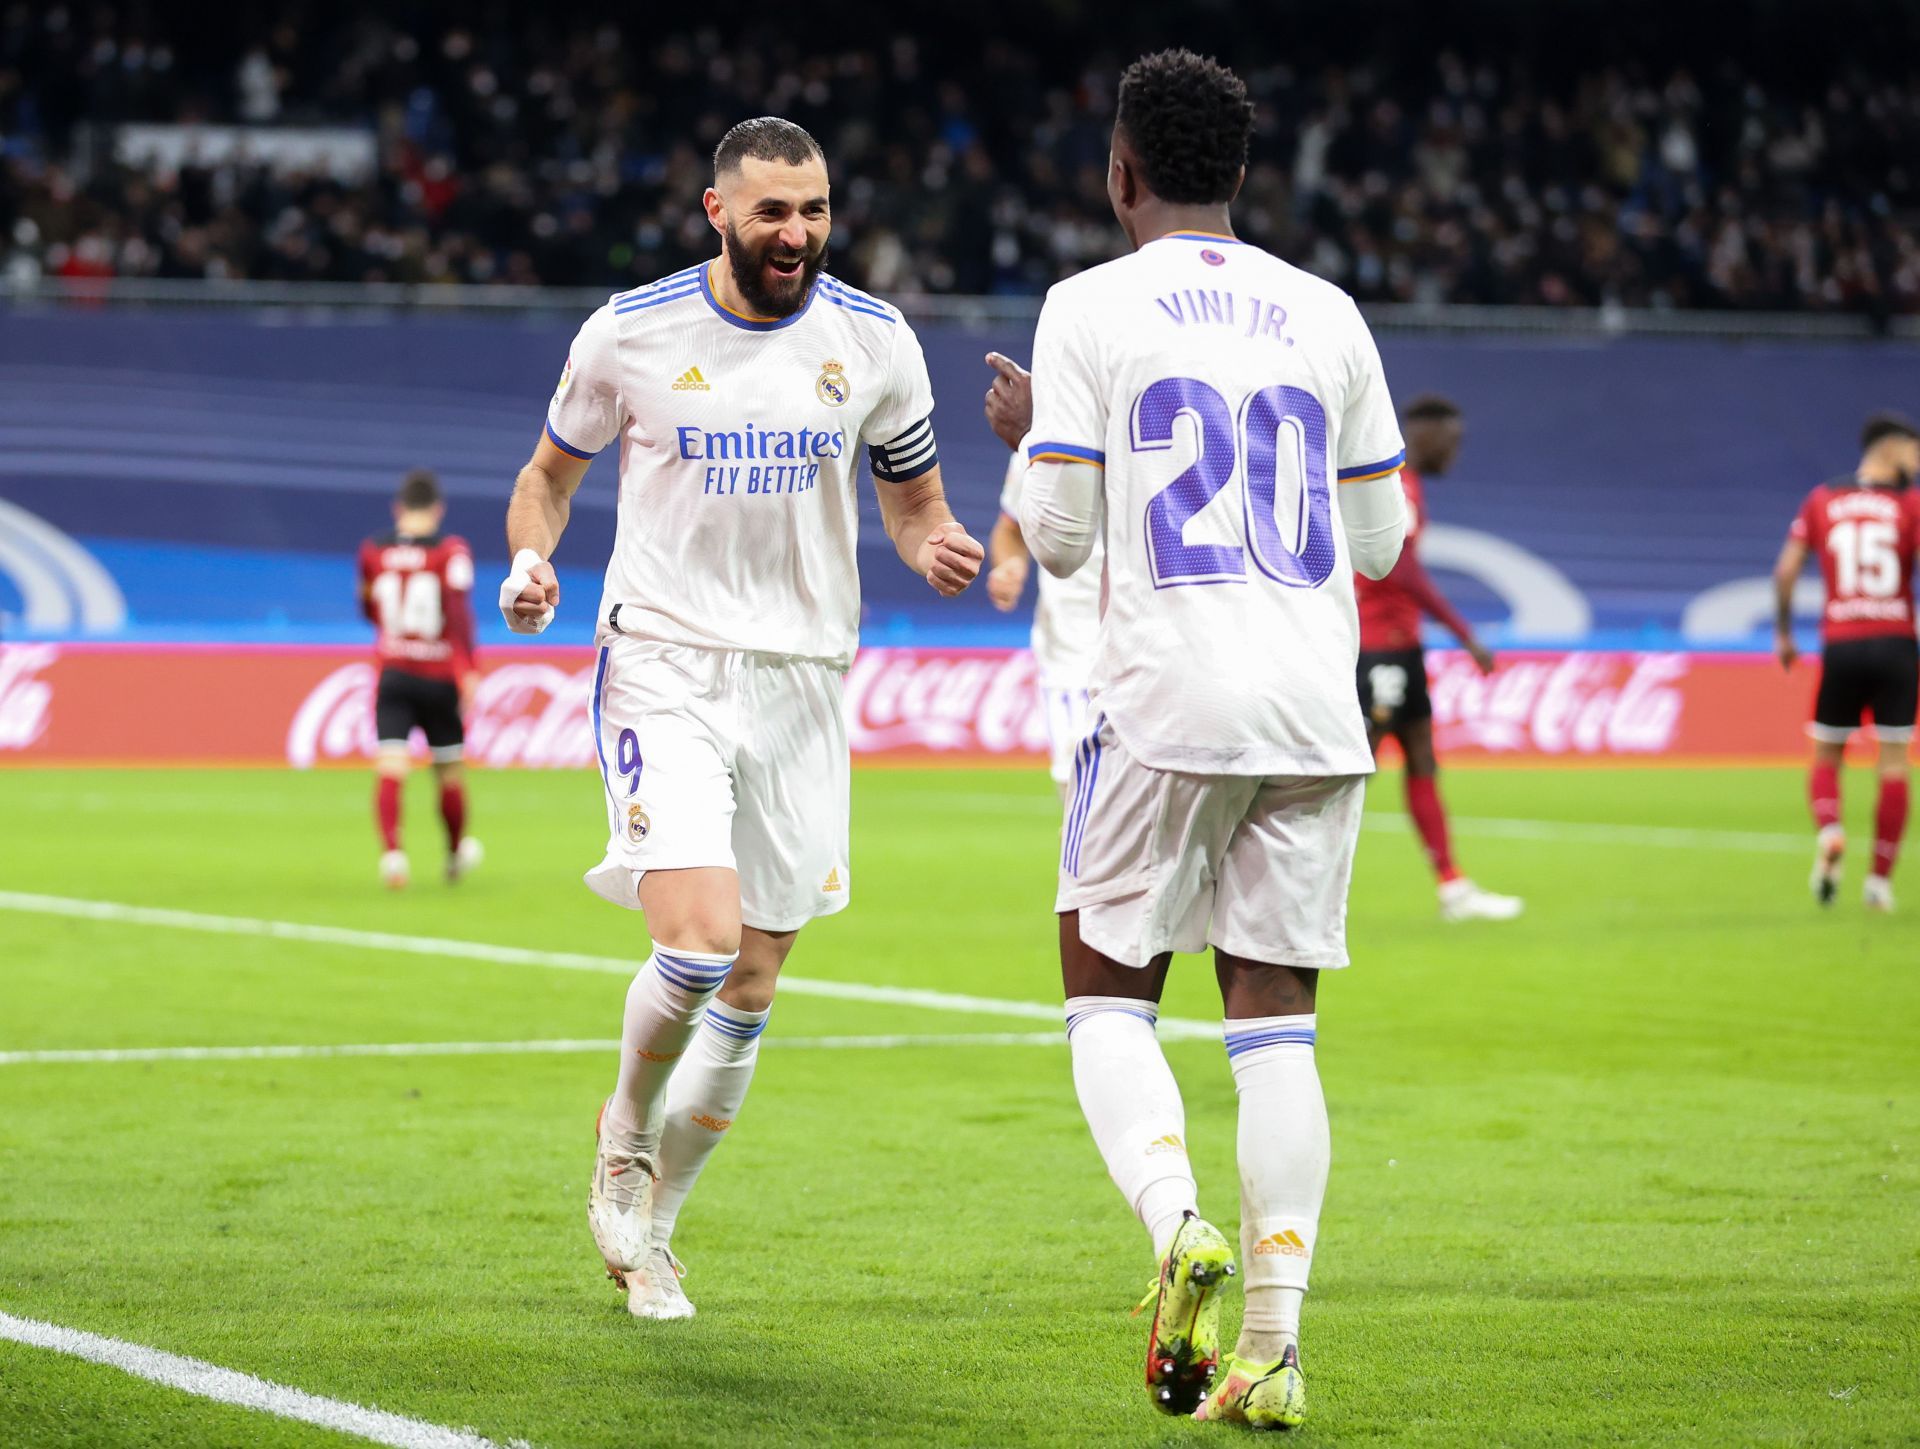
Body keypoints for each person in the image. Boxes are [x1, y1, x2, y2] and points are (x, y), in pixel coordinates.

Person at [497, 117, 983, 1319]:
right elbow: (549, 477)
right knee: (701, 943)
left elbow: (914, 501)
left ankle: (654, 1229)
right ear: (718, 211)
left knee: (756, 984)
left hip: (804, 678)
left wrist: (937, 547)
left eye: (814, 209)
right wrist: (529, 559)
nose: (798, 233)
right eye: (773, 211)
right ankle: (622, 1136)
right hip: (665, 660)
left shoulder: (873, 341)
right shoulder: (631, 330)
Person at [1016, 50, 1407, 1430]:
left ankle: (1178, 1222)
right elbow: (1381, 538)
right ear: (1242, 174)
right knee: (1278, 1028)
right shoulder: (1330, 312)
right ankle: (1277, 1350)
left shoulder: (1088, 307)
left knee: (1108, 995)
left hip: (1168, 701)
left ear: (1121, 171)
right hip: (1316, 709)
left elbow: (1058, 539)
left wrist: (1032, 444)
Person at [1354, 394, 1523, 921]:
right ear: (1423, 434)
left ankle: (1453, 887)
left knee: (1421, 756)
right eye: (1452, 440)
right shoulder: (1398, 482)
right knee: (1351, 770)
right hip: (1376, 644)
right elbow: (1400, 571)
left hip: (1401, 644)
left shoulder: (1410, 485)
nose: (1456, 450)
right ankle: (1288, 884)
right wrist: (1464, 633)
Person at [1773, 412, 1920, 911]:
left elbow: (1786, 571)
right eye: (1913, 452)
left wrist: (1784, 634)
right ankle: (1879, 883)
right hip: (1898, 642)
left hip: (1843, 642)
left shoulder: (1822, 499)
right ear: (1892, 448)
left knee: (1827, 755)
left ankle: (1832, 828)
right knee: (1895, 765)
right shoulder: (1909, 505)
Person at [355, 469, 481, 889]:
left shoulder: (373, 550)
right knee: (448, 771)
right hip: (439, 674)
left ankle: (393, 856)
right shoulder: (451, 551)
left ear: (398, 508)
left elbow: (367, 606)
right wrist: (470, 669)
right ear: (437, 509)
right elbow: (459, 612)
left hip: (393, 672)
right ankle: (453, 856)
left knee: (391, 766)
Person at [982, 351, 1100, 797]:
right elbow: (1010, 529)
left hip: (1145, 650)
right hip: (1071, 653)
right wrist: (1010, 565)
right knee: (1081, 806)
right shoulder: (1041, 446)